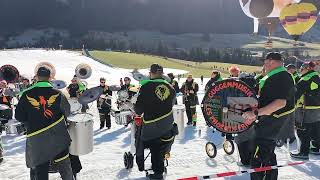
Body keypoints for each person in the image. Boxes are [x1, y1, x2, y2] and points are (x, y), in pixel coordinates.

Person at [15, 66, 74, 180]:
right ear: (50, 77)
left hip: (37, 140)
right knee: (65, 167)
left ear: (36, 77)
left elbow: (19, 116)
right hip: (58, 137)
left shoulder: (26, 94)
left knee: (39, 171)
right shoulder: (58, 94)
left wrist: (33, 118)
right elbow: (67, 112)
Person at [242, 52, 295, 180]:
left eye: (265, 61)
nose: (264, 64)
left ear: (271, 61)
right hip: (268, 121)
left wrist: (255, 113)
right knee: (267, 154)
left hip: (272, 122)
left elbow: (280, 103)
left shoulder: (282, 76)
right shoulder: (275, 76)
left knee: (259, 156)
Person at [134, 64, 177, 180]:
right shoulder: (170, 87)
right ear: (161, 73)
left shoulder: (146, 87)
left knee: (154, 146)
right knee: (161, 145)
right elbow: (172, 103)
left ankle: (158, 173)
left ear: (151, 73)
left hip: (152, 126)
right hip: (168, 124)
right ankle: (160, 165)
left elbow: (138, 110)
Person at [290, 61, 320, 159]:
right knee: (315, 129)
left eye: (302, 68)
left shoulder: (306, 78)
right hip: (316, 108)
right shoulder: (317, 76)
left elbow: (296, 93)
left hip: (306, 108)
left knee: (303, 130)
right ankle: (316, 148)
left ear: (307, 68)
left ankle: (303, 152)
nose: (300, 70)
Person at [0, 80, 13, 164]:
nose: (2, 85)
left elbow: (8, 102)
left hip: (4, 111)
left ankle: (0, 154)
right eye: (1, 84)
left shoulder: (7, 91)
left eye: (4, 84)